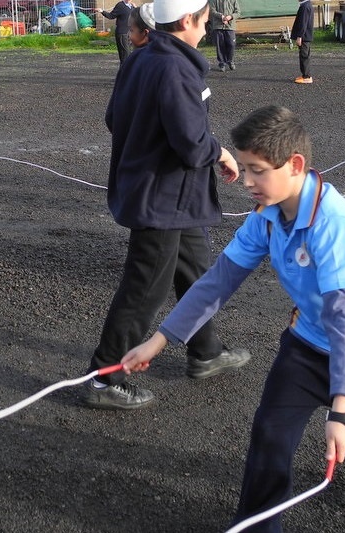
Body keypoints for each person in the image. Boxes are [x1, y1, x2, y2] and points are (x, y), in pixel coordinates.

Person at [120, 105, 345, 533]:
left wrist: (341, 408)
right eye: (243, 169)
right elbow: (219, 279)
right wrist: (161, 339)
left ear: (295, 165)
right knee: (272, 434)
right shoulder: (266, 216)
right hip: (307, 343)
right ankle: (257, 526)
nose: (246, 182)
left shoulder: (333, 222)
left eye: (257, 171)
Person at [84, 0, 252, 410]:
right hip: (163, 198)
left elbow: (114, 119)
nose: (208, 24)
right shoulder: (176, 69)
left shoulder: (140, 59)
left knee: (196, 272)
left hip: (176, 197)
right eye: (205, 18)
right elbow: (194, 146)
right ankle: (105, 378)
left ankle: (205, 351)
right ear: (188, 20)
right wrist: (223, 152)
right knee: (143, 289)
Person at [209, 0, 240, 71]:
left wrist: (230, 17)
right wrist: (222, 17)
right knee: (220, 45)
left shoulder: (233, 1)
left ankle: (230, 61)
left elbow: (238, 12)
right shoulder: (214, 1)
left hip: (230, 27)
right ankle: (222, 63)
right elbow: (212, 11)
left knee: (231, 44)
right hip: (218, 26)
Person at [291, 0, 314, 83]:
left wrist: (299, 36)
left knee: (304, 56)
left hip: (304, 36)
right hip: (305, 35)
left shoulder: (305, 6)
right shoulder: (306, 5)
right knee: (304, 55)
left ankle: (307, 77)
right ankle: (304, 75)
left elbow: (303, 23)